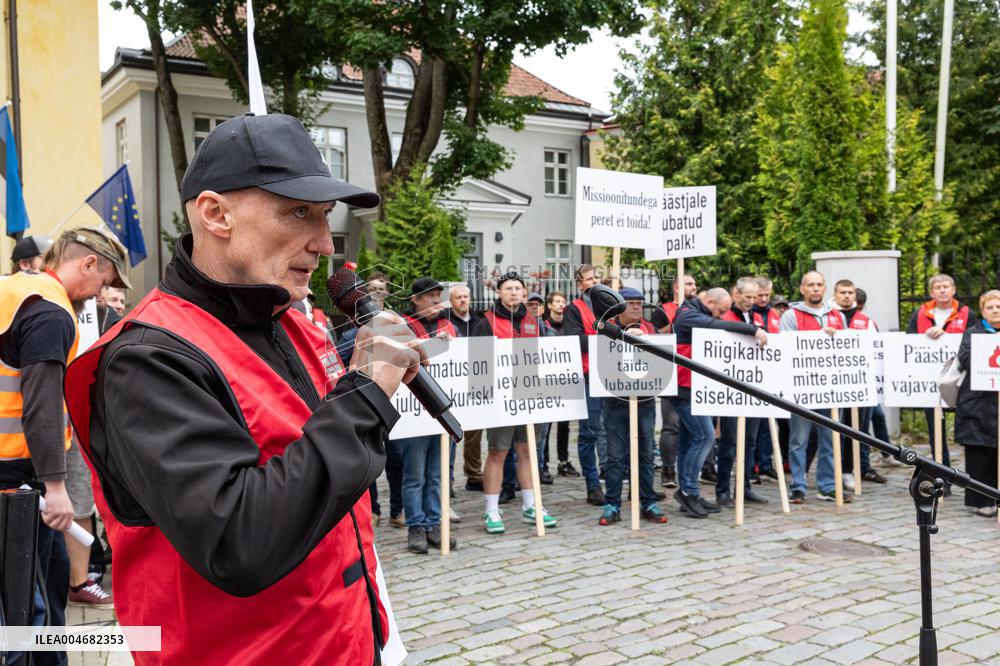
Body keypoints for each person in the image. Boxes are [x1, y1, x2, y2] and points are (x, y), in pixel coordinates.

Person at [64, 114, 418, 665]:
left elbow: (314, 472)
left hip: (344, 638)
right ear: (215, 214)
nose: (324, 242)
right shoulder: (145, 358)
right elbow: (238, 541)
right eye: (298, 213)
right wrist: (367, 394)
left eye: (325, 217)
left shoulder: (289, 321)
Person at [1, 225, 129, 664]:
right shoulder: (50, 311)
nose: (100, 294)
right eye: (105, 282)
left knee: (48, 588)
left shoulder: (18, 290)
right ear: (88, 263)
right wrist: (56, 487)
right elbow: (41, 403)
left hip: (16, 478)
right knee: (27, 608)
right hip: (16, 482)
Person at [671, 287, 767, 518]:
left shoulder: (694, 311)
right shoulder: (687, 314)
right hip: (685, 388)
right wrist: (753, 329)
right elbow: (713, 326)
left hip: (693, 387)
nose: (720, 316)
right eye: (719, 310)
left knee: (688, 441)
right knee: (704, 436)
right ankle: (688, 491)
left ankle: (688, 490)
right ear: (709, 301)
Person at [475, 272, 557, 533]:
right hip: (502, 401)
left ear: (524, 293)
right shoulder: (485, 323)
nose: (513, 292)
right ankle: (491, 510)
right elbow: (478, 365)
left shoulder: (536, 321)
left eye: (517, 288)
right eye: (508, 288)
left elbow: (549, 352)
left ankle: (531, 505)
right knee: (498, 452)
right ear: (499, 293)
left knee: (527, 451)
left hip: (530, 397)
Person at [598, 288, 669, 526]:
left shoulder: (650, 329)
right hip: (615, 401)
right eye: (631, 303)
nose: (637, 307)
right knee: (615, 455)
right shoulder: (605, 327)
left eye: (640, 303)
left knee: (646, 454)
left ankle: (647, 501)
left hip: (644, 401)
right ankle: (612, 503)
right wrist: (626, 335)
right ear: (619, 306)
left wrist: (643, 337)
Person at [779, 270, 851, 505]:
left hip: (830, 389)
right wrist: (818, 336)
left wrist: (835, 336)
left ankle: (828, 485)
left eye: (819, 284)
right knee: (798, 440)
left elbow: (846, 349)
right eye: (811, 285)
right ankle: (798, 485)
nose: (815, 288)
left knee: (831, 439)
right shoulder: (791, 315)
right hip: (802, 389)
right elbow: (786, 347)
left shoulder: (837, 317)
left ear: (825, 288)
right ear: (802, 289)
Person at [398, 277, 458, 553]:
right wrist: (433, 344)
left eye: (438, 296)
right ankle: (416, 526)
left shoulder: (449, 326)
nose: (437, 302)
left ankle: (435, 522)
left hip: (444, 411)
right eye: (430, 297)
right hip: (415, 413)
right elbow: (401, 356)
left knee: (438, 472)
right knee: (415, 475)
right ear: (416, 300)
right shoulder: (403, 327)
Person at [907, 273, 969, 481]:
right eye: (938, 287)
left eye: (946, 286)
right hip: (929, 382)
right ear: (932, 292)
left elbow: (973, 341)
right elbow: (909, 343)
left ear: (953, 290)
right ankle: (942, 475)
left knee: (968, 428)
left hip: (959, 382)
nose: (942, 290)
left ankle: (968, 477)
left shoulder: (967, 313)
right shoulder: (920, 313)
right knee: (936, 433)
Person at [716, 278, 769, 506]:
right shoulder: (726, 316)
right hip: (731, 390)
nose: (751, 301)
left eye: (754, 297)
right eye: (746, 297)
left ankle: (744, 486)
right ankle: (722, 490)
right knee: (729, 443)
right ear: (735, 294)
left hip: (754, 387)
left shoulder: (758, 316)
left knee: (749, 441)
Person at [831, 280, 887, 489]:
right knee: (834, 428)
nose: (847, 296)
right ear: (835, 294)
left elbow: (875, 351)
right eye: (842, 292)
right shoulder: (829, 317)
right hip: (834, 384)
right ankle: (831, 471)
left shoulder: (866, 321)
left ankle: (849, 470)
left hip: (860, 384)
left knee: (858, 429)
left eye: (850, 292)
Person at [563, 264, 608, 505]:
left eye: (598, 277)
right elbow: (575, 340)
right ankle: (592, 485)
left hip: (611, 376)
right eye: (590, 279)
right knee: (590, 432)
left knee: (610, 431)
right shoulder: (574, 309)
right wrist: (605, 337)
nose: (595, 281)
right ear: (580, 284)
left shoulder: (611, 306)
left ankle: (611, 479)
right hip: (589, 377)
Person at [955, 290, 1000, 517]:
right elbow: (963, 359)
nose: (995, 311)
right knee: (979, 453)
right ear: (983, 311)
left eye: (998, 306)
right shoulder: (973, 333)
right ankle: (981, 499)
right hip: (978, 403)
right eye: (990, 307)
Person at [650, 275, 697, 490]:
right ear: (677, 287)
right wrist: (674, 326)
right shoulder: (663, 310)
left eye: (694, 284)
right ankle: (668, 469)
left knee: (694, 428)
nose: (693, 287)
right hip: (671, 374)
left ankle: (694, 470)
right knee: (672, 425)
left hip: (693, 375)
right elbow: (654, 337)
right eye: (689, 284)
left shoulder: (698, 310)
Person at [446, 283, 486, 492]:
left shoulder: (480, 322)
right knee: (450, 433)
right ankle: (448, 479)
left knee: (474, 433)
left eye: (465, 296)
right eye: (458, 297)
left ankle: (474, 473)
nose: (463, 300)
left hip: (475, 381)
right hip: (452, 384)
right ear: (451, 300)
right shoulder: (446, 323)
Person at [542, 291, 576, 478]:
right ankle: (544, 462)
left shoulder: (569, 326)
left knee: (564, 425)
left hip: (566, 378)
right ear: (549, 305)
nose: (561, 304)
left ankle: (563, 461)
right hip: (548, 380)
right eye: (557, 301)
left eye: (563, 301)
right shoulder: (544, 326)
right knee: (546, 426)